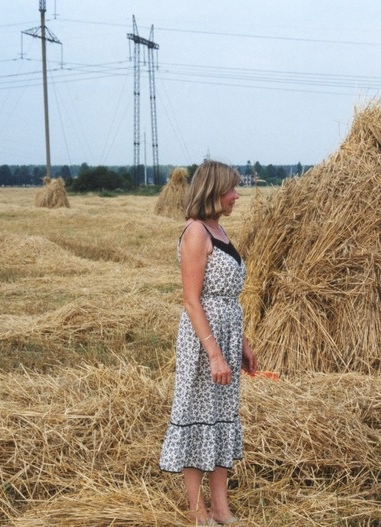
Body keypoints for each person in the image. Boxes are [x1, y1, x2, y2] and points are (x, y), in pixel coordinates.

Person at [160, 159, 257, 526]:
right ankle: (197, 511)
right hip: (204, 342)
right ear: (214, 192)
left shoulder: (220, 231)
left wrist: (242, 343)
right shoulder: (196, 232)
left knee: (220, 419)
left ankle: (221, 508)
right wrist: (214, 354)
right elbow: (192, 299)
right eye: (231, 189)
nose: (237, 195)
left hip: (227, 334)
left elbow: (227, 295)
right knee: (197, 417)